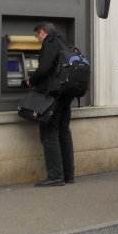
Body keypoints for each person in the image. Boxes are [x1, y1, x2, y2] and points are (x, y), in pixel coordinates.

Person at [24, 21, 74, 187]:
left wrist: (31, 81)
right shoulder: (64, 43)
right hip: (66, 95)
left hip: (53, 97)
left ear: (42, 32)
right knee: (63, 133)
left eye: (37, 35)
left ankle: (55, 177)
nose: (37, 39)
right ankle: (68, 175)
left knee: (49, 134)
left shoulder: (49, 44)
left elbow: (44, 69)